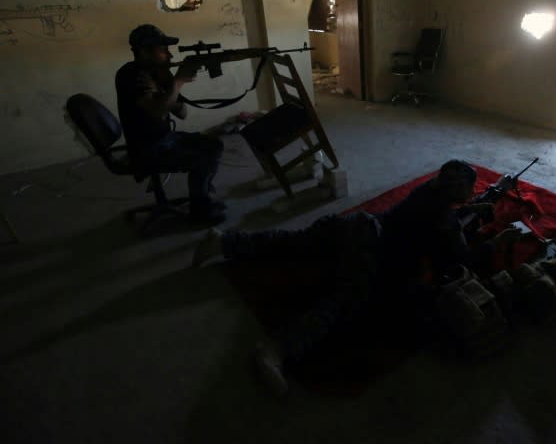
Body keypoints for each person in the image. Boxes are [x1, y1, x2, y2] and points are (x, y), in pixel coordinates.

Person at [192, 160, 523, 396]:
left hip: (357, 224)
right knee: (342, 304)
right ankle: (276, 349)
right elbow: (458, 259)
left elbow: (442, 213)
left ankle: (223, 241)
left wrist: (472, 209)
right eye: (470, 189)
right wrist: (498, 242)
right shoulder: (445, 222)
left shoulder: (428, 191)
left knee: (293, 242)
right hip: (371, 253)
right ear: (459, 193)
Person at [116, 24, 226, 224]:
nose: (169, 55)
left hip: (165, 139)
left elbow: (182, 112)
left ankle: (202, 197)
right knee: (204, 156)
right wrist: (178, 81)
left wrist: (168, 84)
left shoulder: (157, 74)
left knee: (213, 144)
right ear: (144, 52)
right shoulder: (131, 75)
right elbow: (158, 112)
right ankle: (201, 211)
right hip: (148, 149)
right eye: (163, 50)